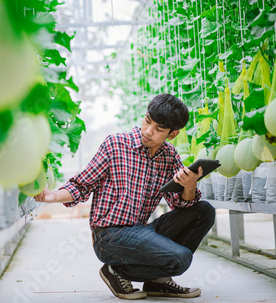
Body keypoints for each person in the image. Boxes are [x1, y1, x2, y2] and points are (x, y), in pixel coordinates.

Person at [34, 94, 215, 300]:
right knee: (180, 259)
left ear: (172, 134)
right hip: (110, 235)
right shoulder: (116, 144)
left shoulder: (169, 156)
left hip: (141, 231)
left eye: (158, 129)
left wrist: (189, 186)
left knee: (204, 210)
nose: (148, 131)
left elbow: (181, 205)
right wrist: (51, 196)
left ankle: (157, 281)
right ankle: (115, 271)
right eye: (148, 121)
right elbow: (81, 185)